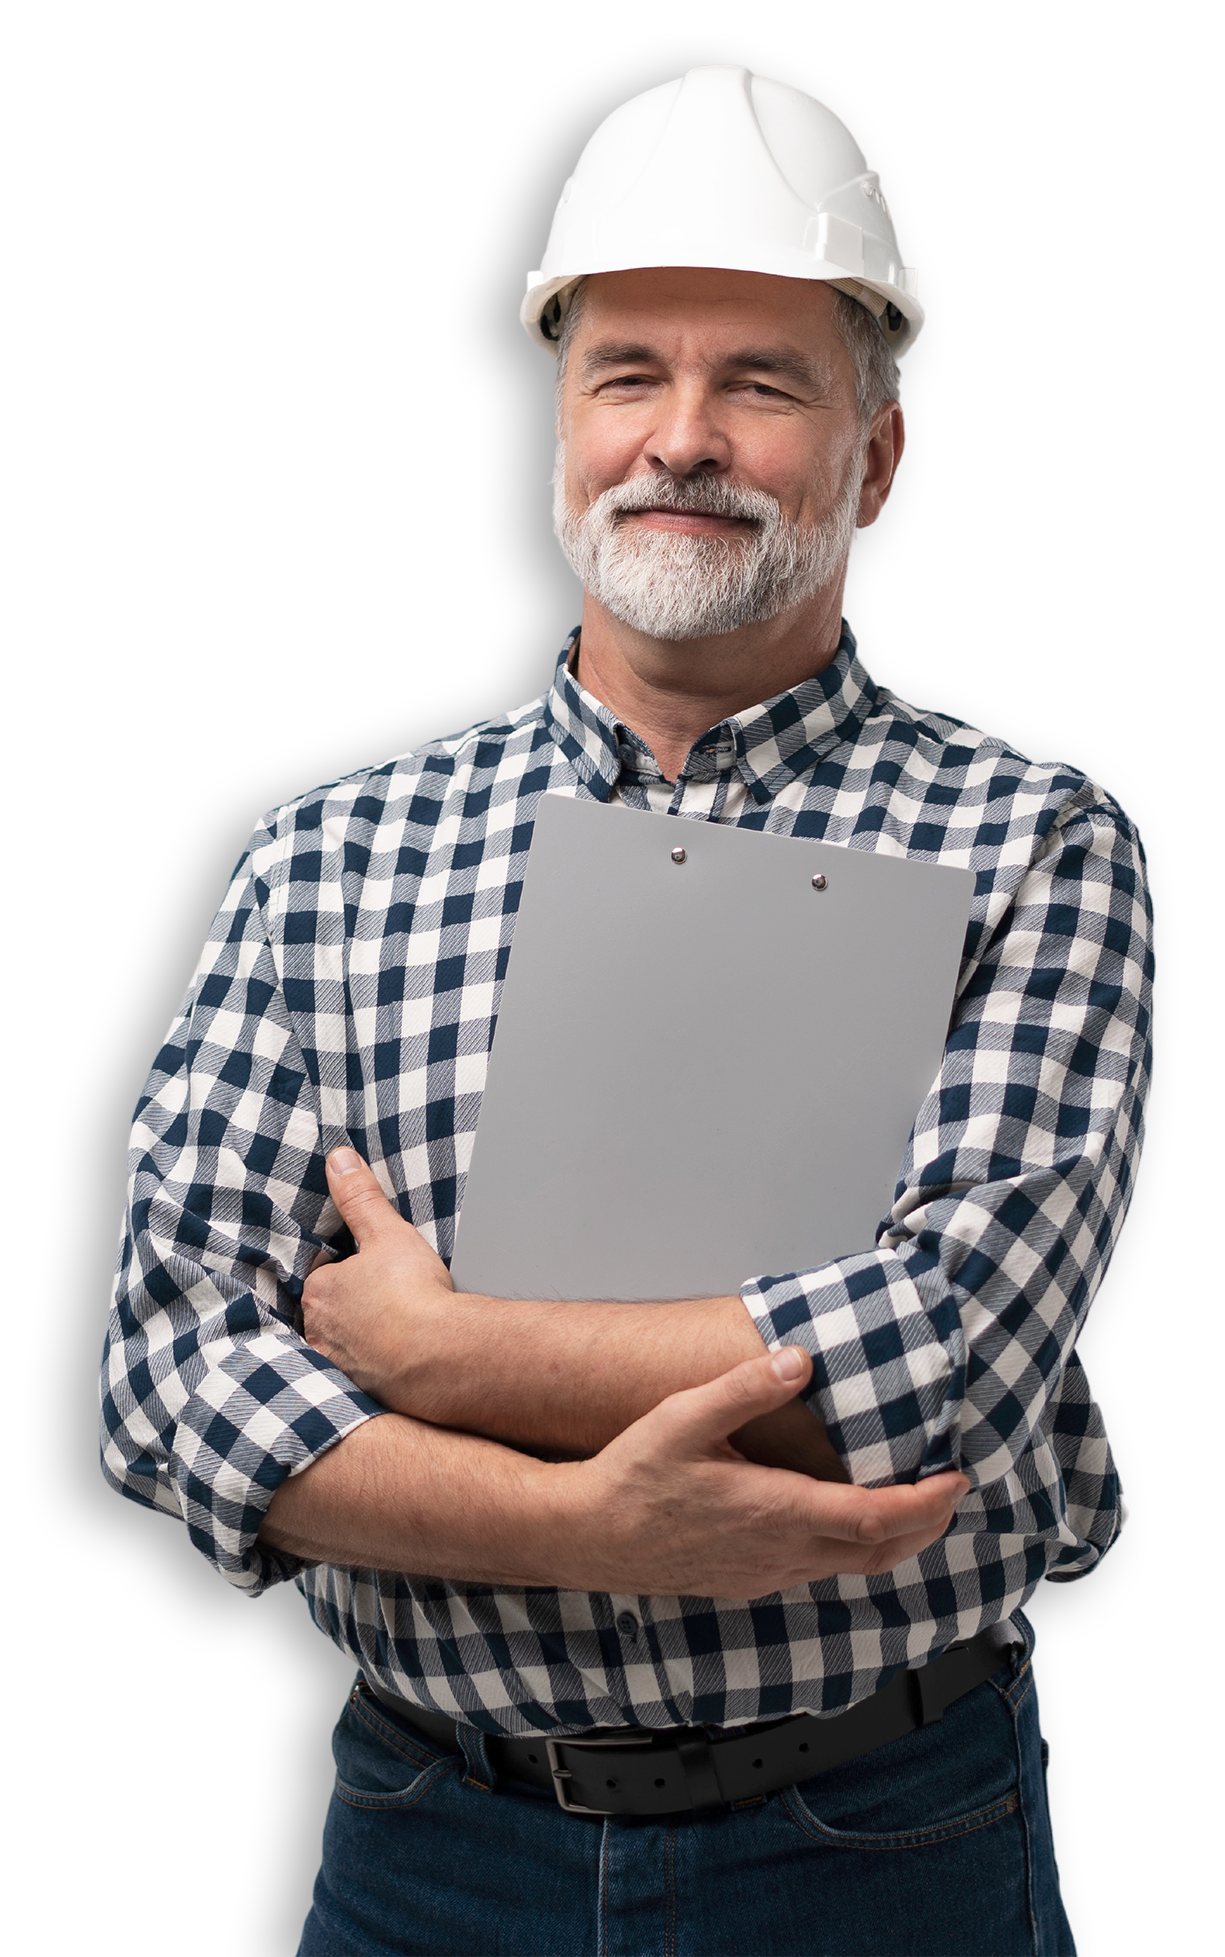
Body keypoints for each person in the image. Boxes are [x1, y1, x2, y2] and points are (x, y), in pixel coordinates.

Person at [98, 66, 1151, 1956]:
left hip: (885, 1842)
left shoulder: (1032, 844)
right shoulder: (330, 854)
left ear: (877, 456)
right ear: (559, 425)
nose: (684, 436)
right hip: (431, 1842)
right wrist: (582, 1532)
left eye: (762, 381)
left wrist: (438, 1350)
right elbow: (170, 1373)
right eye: (628, 374)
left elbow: (947, 1349)